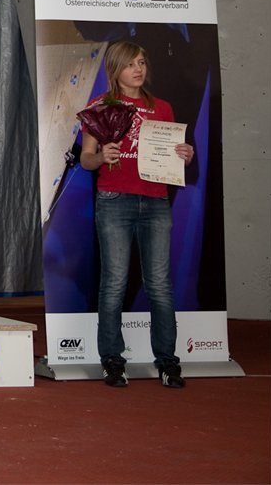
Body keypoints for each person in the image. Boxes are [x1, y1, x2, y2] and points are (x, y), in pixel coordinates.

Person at [79, 40, 194, 388]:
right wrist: (102, 156)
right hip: (114, 200)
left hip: (156, 200)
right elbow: (86, 159)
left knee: (160, 284)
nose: (138, 69)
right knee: (114, 282)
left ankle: (167, 361)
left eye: (142, 62)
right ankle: (112, 359)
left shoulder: (162, 107)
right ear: (115, 69)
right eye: (131, 64)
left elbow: (173, 153)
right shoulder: (100, 107)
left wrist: (184, 154)